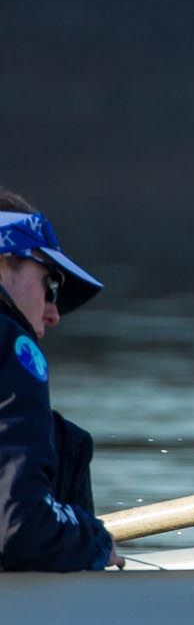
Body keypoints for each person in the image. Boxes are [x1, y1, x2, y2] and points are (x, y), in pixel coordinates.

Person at [0, 192, 119, 570]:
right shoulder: (10, 342)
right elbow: (21, 525)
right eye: (50, 284)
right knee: (66, 442)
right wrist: (95, 541)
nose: (53, 314)